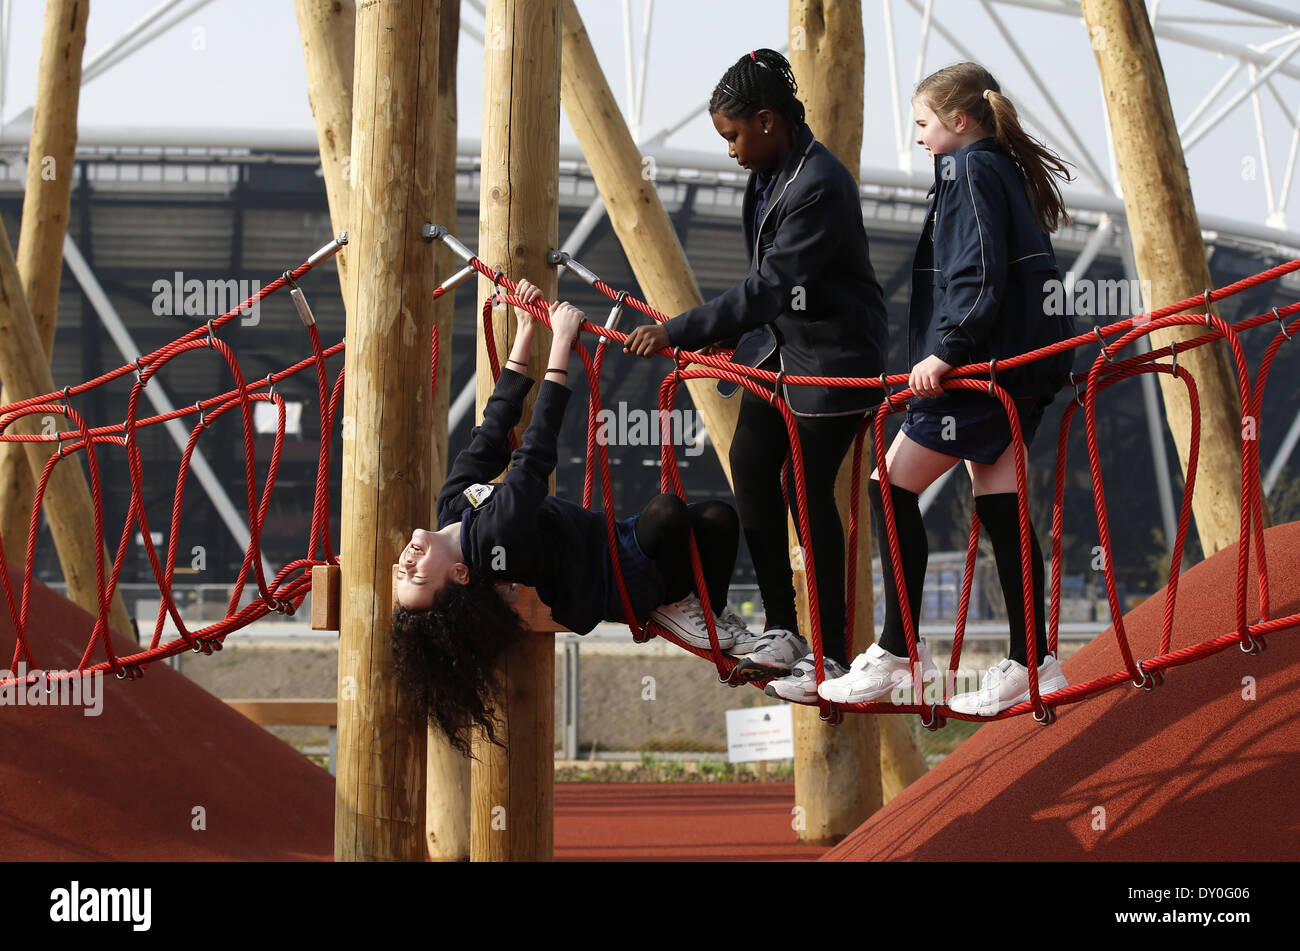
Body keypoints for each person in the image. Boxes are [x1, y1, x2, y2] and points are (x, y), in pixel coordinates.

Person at [391, 281, 768, 757]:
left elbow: (492, 431)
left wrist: (526, 331)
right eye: (417, 579)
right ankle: (675, 609)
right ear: (461, 573)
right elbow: (533, 457)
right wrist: (562, 346)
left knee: (718, 516)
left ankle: (705, 614)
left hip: (614, 539)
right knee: (669, 511)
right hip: (611, 577)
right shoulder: (491, 540)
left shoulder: (455, 509)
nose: (406, 566)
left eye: (402, 573)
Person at [623, 49, 890, 705]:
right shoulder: (769, 173)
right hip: (781, 351)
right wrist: (725, 331)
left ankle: (827, 653)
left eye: (735, 136)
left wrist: (680, 329)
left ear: (768, 121)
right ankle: (782, 627)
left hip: (834, 361)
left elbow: (770, 284)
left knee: (806, 491)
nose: (733, 152)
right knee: (749, 461)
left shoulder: (819, 183)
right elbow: (767, 290)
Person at [818, 62, 1076, 716]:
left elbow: (977, 270)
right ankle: (1032, 660)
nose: (919, 138)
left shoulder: (969, 170)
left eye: (924, 123)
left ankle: (901, 648)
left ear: (960, 121)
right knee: (1000, 502)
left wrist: (945, 349)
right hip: (1017, 365)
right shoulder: (998, 167)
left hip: (982, 368)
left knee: (888, 482)